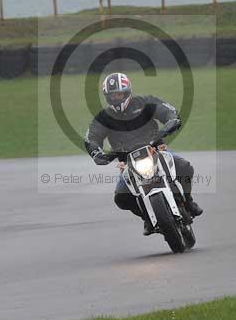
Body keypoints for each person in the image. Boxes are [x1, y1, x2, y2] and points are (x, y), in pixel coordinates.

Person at [84, 72, 203, 235]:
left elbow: (167, 110)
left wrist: (171, 120)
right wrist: (96, 152)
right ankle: (147, 217)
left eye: (119, 94)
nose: (117, 98)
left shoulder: (145, 102)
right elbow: (92, 136)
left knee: (184, 167)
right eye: (113, 95)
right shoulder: (104, 117)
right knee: (121, 198)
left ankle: (188, 202)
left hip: (156, 149)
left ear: (127, 92)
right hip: (127, 162)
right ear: (107, 97)